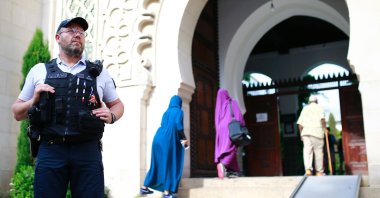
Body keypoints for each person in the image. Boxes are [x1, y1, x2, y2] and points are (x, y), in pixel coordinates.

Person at [11, 17, 124, 197]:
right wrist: (33, 100)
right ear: (57, 37)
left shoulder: (100, 73)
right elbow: (17, 113)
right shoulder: (39, 71)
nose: (77, 35)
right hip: (51, 150)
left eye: (81, 32)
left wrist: (112, 116)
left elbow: (117, 105)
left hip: (87, 152)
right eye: (71, 31)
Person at [140, 95, 189, 198]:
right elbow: (178, 126)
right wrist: (185, 141)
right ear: (179, 103)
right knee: (170, 165)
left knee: (156, 164)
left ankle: (144, 187)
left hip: (157, 139)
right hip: (167, 141)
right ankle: (167, 193)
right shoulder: (179, 112)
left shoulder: (166, 113)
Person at [214, 88, 245, 179]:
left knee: (225, 149)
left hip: (220, 130)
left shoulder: (218, 106)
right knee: (232, 147)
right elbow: (239, 116)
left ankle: (233, 170)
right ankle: (223, 164)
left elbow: (217, 121)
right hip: (230, 128)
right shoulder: (232, 102)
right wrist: (243, 125)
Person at [297, 95, 326, 176]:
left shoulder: (305, 109)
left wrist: (301, 134)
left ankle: (308, 170)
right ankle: (319, 172)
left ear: (309, 102)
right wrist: (324, 128)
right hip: (317, 132)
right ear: (316, 101)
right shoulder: (319, 107)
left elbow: (300, 124)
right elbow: (322, 119)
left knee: (307, 151)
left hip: (306, 132)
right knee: (318, 152)